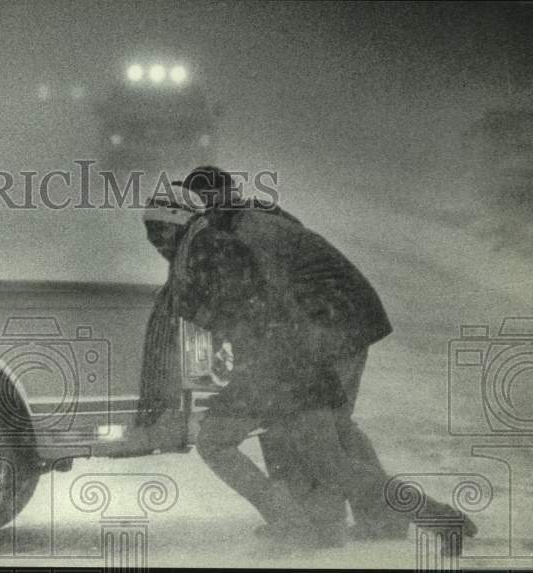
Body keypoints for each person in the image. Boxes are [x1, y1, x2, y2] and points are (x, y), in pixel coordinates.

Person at [166, 166, 478, 544]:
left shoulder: (242, 233)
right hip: (329, 325)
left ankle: (322, 524)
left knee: (321, 441)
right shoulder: (252, 219)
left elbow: (263, 304)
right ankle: (365, 520)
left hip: (326, 328)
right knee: (332, 435)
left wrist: (255, 361)